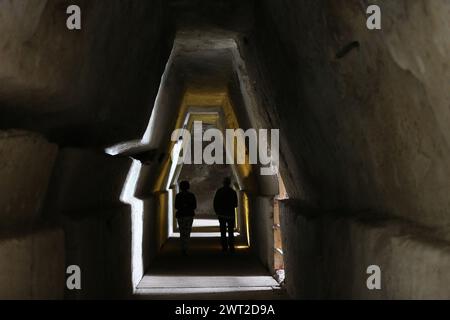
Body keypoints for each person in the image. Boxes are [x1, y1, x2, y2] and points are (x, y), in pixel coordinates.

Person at [213, 177, 238, 252]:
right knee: (231, 231)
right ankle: (231, 246)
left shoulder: (219, 191)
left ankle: (224, 247)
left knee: (223, 231)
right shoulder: (233, 192)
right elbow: (236, 204)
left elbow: (215, 203)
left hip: (221, 214)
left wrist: (217, 212)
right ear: (229, 183)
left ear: (223, 183)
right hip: (230, 214)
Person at [175, 180, 197, 255]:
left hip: (181, 215)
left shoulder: (178, 196)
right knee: (187, 231)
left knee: (182, 231)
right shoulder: (191, 195)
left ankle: (182, 247)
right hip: (189, 215)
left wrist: (182, 206)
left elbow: (176, 206)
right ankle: (186, 247)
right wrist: (188, 206)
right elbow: (194, 206)